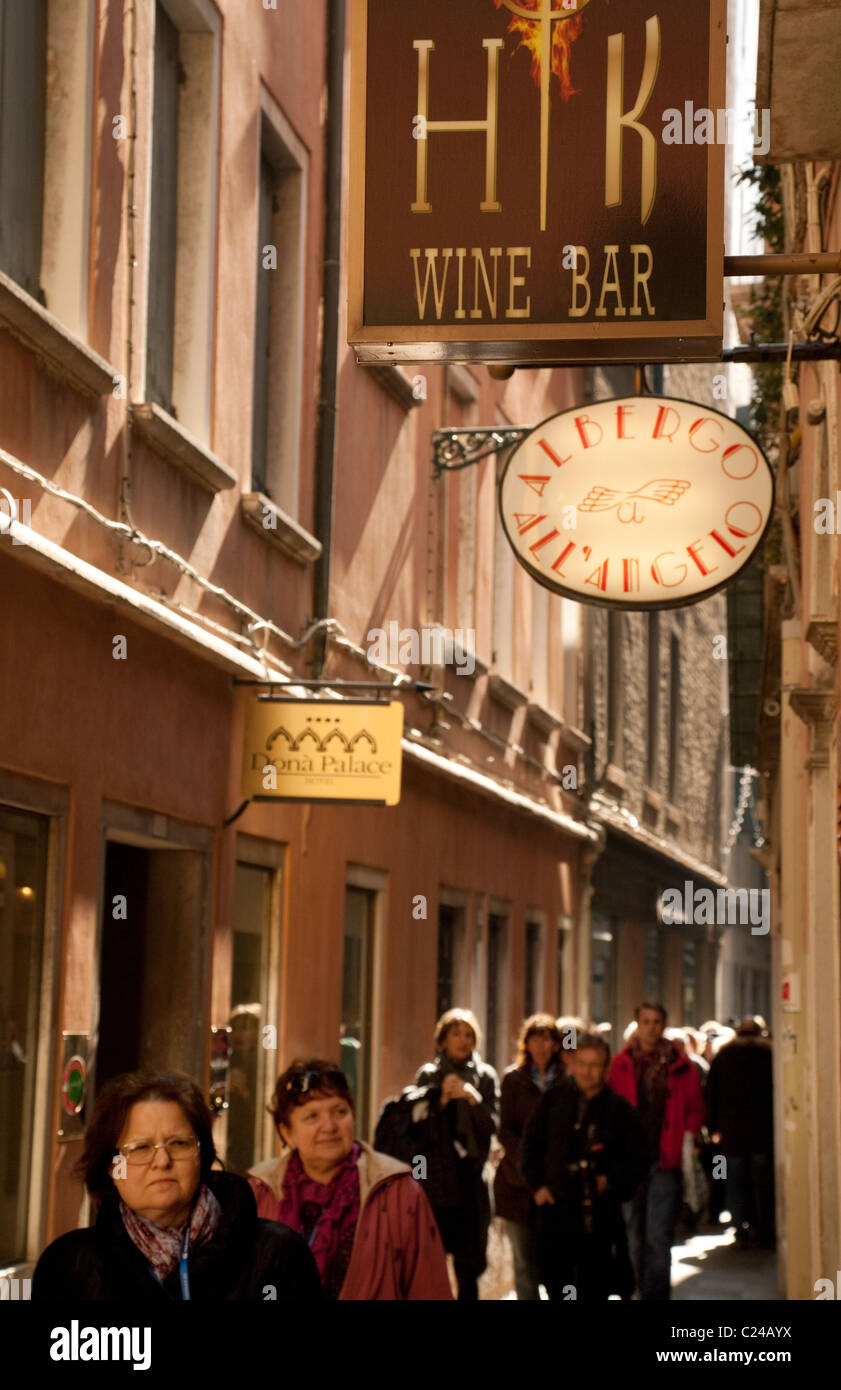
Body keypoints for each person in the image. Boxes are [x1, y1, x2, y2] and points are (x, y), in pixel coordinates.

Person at [32, 1070, 322, 1301]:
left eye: (179, 1143)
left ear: (203, 1156)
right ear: (111, 1166)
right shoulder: (69, 1266)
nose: (162, 1160)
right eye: (141, 1148)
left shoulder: (276, 1254)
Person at [248, 1058, 452, 1300]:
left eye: (339, 1111)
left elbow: (429, 1289)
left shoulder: (398, 1192)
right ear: (287, 1132)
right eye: (312, 1116)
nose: (329, 1126)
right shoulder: (258, 1192)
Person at [522, 1033, 647, 1300]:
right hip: (557, 1208)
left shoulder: (620, 1110)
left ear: (605, 1067)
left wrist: (612, 1180)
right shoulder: (553, 1100)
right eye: (582, 1064)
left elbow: (637, 1160)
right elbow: (530, 1145)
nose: (587, 1072)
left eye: (594, 1065)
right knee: (557, 1284)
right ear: (573, 1064)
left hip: (599, 1215)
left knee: (594, 1286)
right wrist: (538, 1187)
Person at [608, 1001, 705, 1300]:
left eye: (657, 1021)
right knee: (632, 1234)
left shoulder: (681, 1064)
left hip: (666, 1161)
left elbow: (695, 1108)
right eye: (646, 1021)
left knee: (658, 1237)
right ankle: (637, 1289)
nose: (651, 1027)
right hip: (630, 1163)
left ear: (664, 1025)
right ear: (637, 1024)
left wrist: (685, 1139)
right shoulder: (620, 1063)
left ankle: (656, 1296)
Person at [400, 1008, 499, 1300]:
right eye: (456, 1033)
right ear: (443, 1040)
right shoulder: (429, 1076)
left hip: (470, 1180)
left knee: (469, 1264)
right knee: (432, 1260)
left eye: (469, 1034)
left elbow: (493, 1125)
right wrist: (440, 1098)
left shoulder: (484, 1076)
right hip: (437, 1182)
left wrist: (472, 1098)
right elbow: (415, 1128)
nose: (463, 1040)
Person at [494, 1013, 566, 1299]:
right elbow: (506, 1131)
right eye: (535, 1038)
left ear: (556, 1044)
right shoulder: (514, 1080)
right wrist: (530, 1170)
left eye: (547, 1038)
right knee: (523, 1264)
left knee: (555, 1262)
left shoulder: (565, 1079)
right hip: (517, 1184)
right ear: (527, 1043)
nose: (542, 1045)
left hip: (556, 1186)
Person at [706, 1016, 775, 1249]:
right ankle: (763, 1226)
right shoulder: (767, 1057)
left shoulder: (724, 1057)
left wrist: (714, 1127)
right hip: (761, 1134)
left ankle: (738, 1226)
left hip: (732, 1133)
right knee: (761, 1183)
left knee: (733, 1180)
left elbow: (711, 1094)